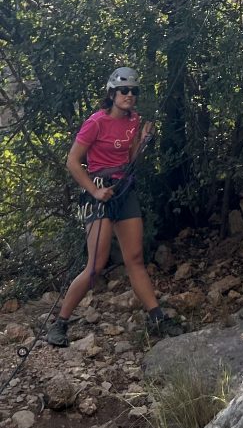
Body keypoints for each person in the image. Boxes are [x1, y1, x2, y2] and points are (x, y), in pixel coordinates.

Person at [46, 67, 181, 347]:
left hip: (124, 191)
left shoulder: (134, 120)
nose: (129, 95)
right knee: (95, 266)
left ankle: (157, 317)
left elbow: (133, 160)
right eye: (124, 90)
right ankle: (60, 323)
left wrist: (143, 142)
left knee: (134, 258)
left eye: (134, 91)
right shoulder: (96, 122)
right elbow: (72, 160)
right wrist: (94, 190)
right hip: (97, 192)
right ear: (112, 93)